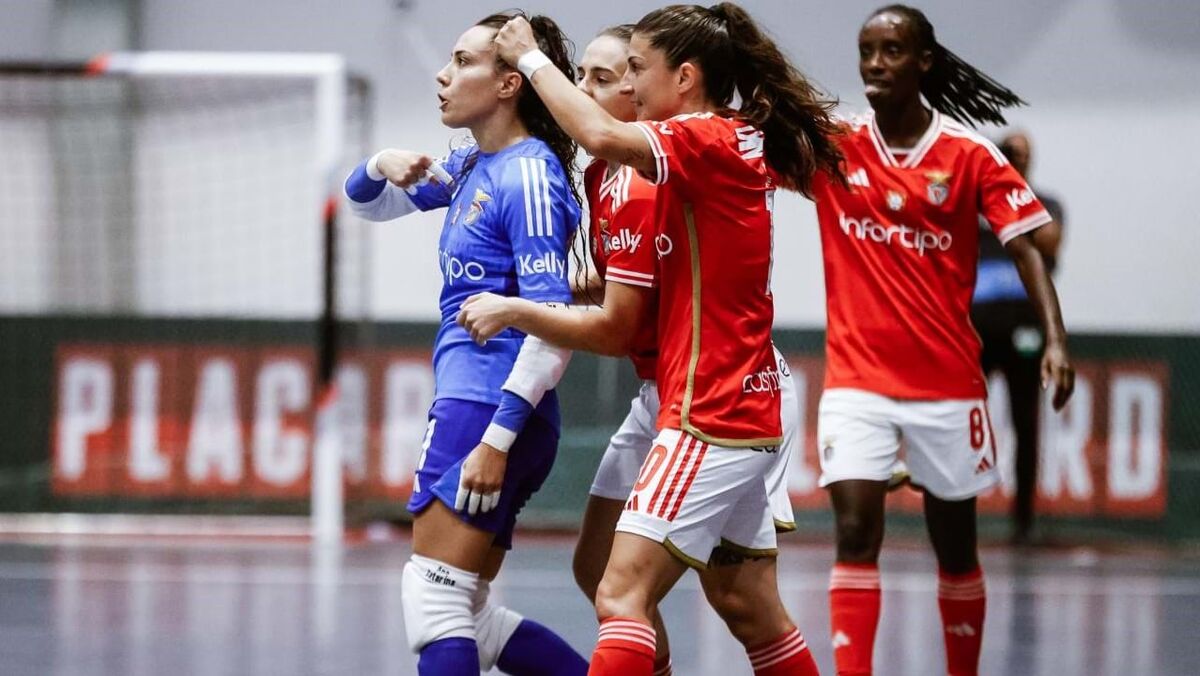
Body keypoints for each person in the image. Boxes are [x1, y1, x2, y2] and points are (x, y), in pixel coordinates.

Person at [467, 4, 845, 675]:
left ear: (687, 77)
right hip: (715, 393)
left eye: (632, 70)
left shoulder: (698, 141)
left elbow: (618, 321)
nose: (625, 87)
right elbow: (638, 293)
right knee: (741, 600)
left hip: (711, 406)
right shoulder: (671, 157)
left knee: (621, 590)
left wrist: (529, 57)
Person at [810, 6, 1075, 675]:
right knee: (853, 531)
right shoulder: (835, 146)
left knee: (955, 550)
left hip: (946, 386)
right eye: (867, 51)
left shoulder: (968, 155)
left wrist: (1056, 340)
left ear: (923, 62)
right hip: (856, 382)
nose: (875, 64)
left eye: (892, 51)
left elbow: (1027, 250)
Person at [342, 11, 588, 675]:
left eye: (462, 61)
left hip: (491, 407)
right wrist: (378, 163)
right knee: (469, 613)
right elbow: (367, 205)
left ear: (509, 83)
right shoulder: (476, 161)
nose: (442, 75)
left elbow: (552, 322)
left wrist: (494, 442)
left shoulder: (528, 177)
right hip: (484, 404)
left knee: (433, 596)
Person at [971, 131, 1066, 545]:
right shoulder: (975, 199)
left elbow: (1050, 240)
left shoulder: (1045, 203)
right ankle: (960, 514)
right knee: (965, 422)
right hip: (976, 330)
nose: (1017, 158)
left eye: (1024, 154)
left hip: (1025, 330)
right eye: (1010, 152)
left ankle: (1023, 521)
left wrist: (1014, 198)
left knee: (1026, 423)